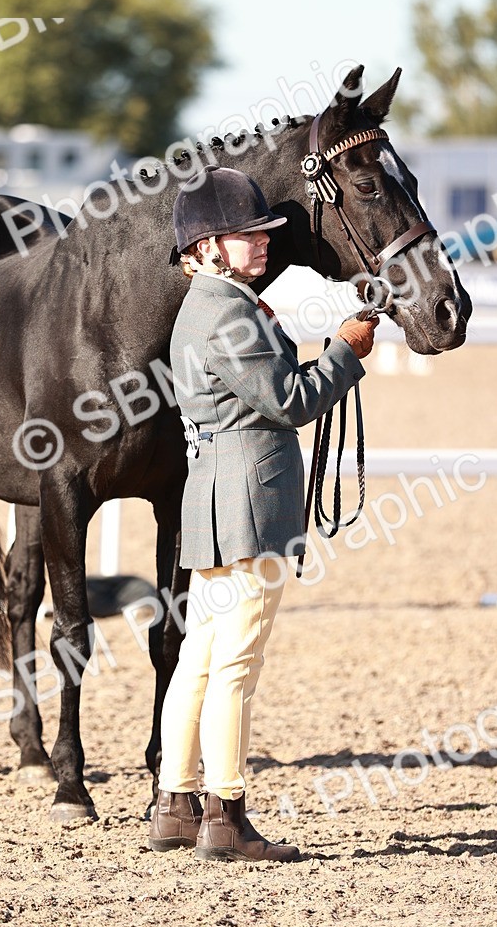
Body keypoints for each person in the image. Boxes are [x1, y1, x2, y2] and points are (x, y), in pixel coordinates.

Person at [149, 164, 377, 863]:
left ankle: (175, 803)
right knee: (236, 664)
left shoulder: (213, 305)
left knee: (200, 656)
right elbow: (292, 401)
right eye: (250, 234)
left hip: (216, 500)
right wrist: (346, 351)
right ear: (211, 245)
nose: (265, 242)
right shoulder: (226, 311)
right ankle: (226, 816)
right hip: (248, 505)